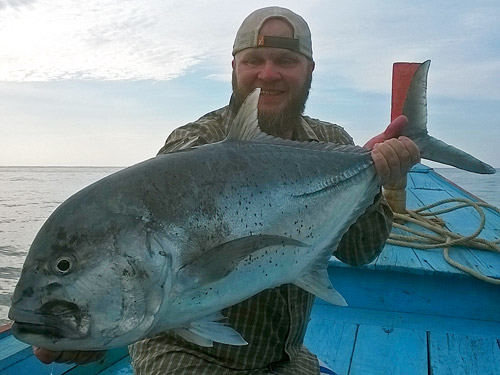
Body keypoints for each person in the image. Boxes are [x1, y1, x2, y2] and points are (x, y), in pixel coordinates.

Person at [33, 6, 420, 374]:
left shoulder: (332, 144)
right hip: (186, 355)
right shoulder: (196, 143)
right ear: (234, 67)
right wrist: (103, 316)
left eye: (286, 61)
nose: (268, 74)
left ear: (310, 70)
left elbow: (360, 253)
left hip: (286, 359)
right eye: (253, 60)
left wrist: (379, 179)